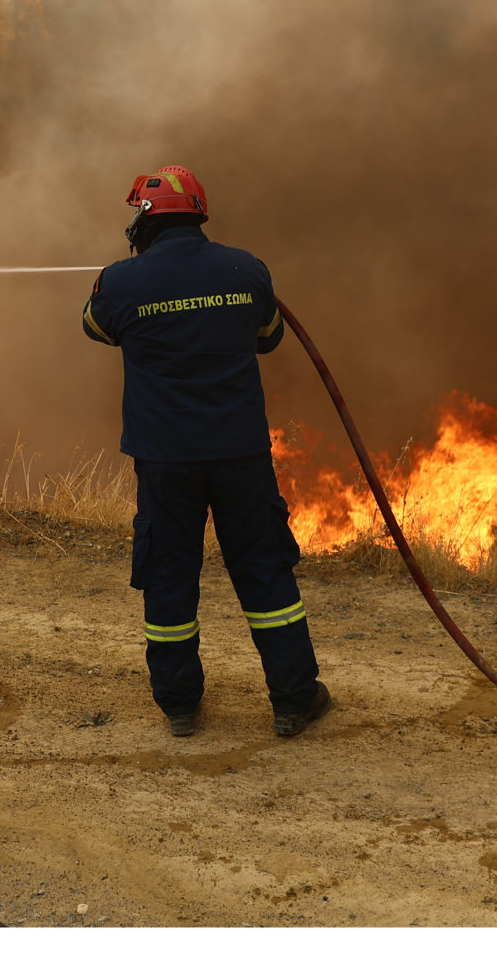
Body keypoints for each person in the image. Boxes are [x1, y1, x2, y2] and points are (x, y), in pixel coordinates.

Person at [81, 166, 329, 739]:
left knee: (169, 576)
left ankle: (179, 706)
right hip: (240, 455)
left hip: (166, 461)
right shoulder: (246, 269)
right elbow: (268, 336)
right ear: (198, 214)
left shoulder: (120, 281)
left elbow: (96, 328)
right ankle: (293, 700)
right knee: (265, 575)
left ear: (145, 219)